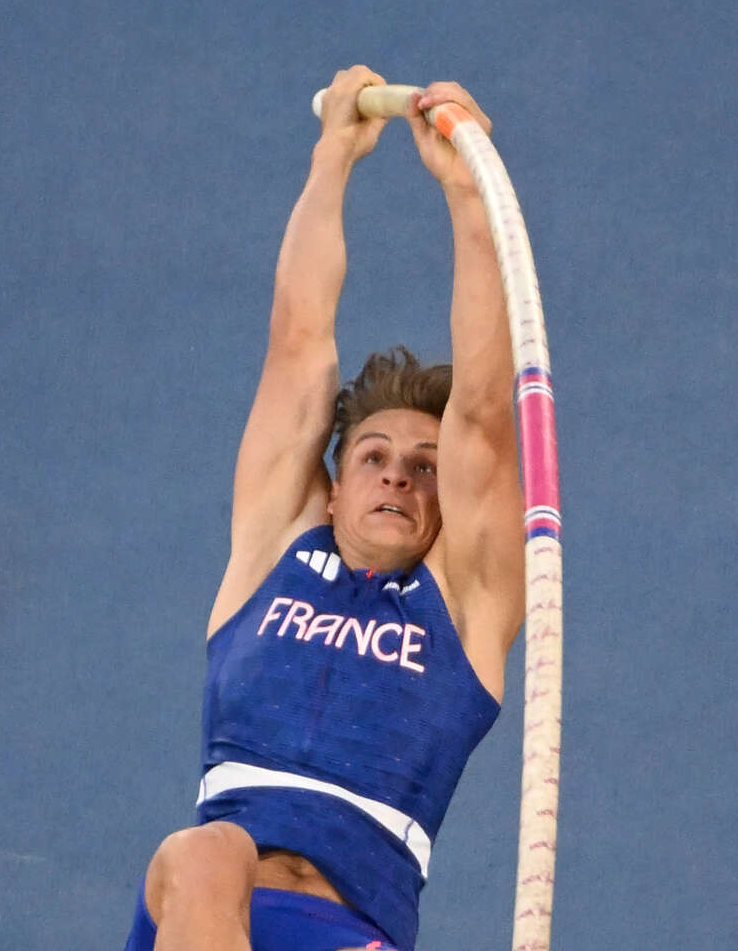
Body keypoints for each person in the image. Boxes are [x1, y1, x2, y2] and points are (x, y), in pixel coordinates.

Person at [123, 66, 524, 951]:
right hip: (206, 916)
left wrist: (466, 192)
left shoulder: (468, 607)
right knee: (204, 852)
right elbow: (298, 339)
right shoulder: (275, 549)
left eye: (425, 468)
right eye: (374, 459)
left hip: (349, 930)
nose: (396, 478)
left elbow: (489, 413)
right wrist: (334, 154)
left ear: (450, 503)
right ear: (334, 485)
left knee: (206, 851)